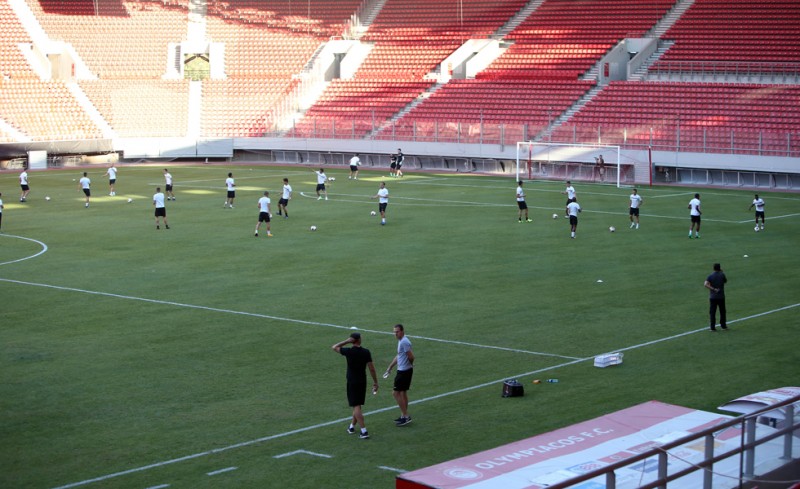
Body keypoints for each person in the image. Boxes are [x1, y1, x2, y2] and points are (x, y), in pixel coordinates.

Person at [332, 332, 378, 439]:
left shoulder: (348, 351)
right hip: (362, 380)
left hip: (352, 381)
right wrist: (375, 382)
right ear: (359, 340)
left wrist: (347, 341)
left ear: (352, 340)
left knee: (356, 405)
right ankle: (352, 426)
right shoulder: (366, 352)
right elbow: (371, 368)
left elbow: (334, 347)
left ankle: (364, 431)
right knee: (358, 404)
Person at [384, 324, 414, 426]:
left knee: (395, 393)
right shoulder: (401, 341)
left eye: (397, 332)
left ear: (402, 331)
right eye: (394, 332)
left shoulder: (404, 342)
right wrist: (390, 367)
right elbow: (399, 356)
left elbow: (411, 356)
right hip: (404, 370)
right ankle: (404, 415)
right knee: (402, 393)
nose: (395, 334)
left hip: (403, 371)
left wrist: (409, 365)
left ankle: (406, 416)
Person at [704, 263, 728, 331]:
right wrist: (722, 272)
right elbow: (725, 281)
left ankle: (712, 327)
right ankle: (723, 326)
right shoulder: (722, 275)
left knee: (712, 312)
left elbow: (705, 284)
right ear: (720, 268)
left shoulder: (710, 276)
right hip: (721, 297)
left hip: (713, 297)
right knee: (722, 312)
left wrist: (713, 289)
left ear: (713, 268)